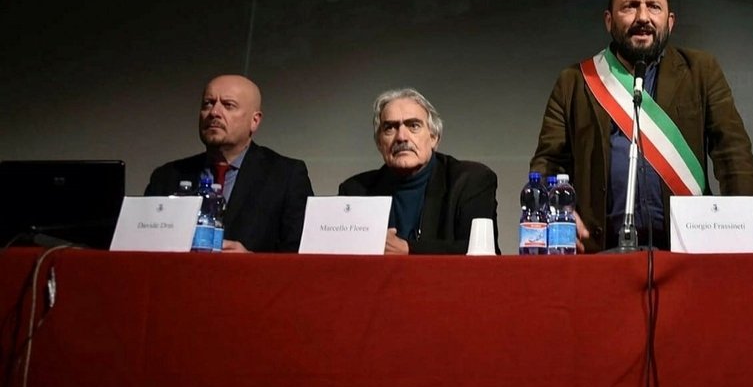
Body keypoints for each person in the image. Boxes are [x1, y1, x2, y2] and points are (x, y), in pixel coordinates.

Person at [530, 0, 753, 252]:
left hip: (687, 246)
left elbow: (733, 151)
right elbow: (549, 161)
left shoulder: (700, 70)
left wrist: (742, 224)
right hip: (599, 248)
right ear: (609, 21)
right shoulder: (575, 81)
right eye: (630, 7)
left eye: (654, 7)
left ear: (670, 21)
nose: (643, 17)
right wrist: (557, 213)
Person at [145, 74, 313, 253]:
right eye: (208, 103)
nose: (214, 112)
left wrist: (252, 262)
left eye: (228, 105)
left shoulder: (286, 176)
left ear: (254, 121)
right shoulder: (167, 176)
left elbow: (301, 256)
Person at [339, 88, 499, 255]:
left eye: (413, 126)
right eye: (390, 128)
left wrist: (409, 249)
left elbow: (480, 250)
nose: (401, 137)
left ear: (434, 137)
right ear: (379, 143)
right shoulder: (355, 191)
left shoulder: (470, 181)